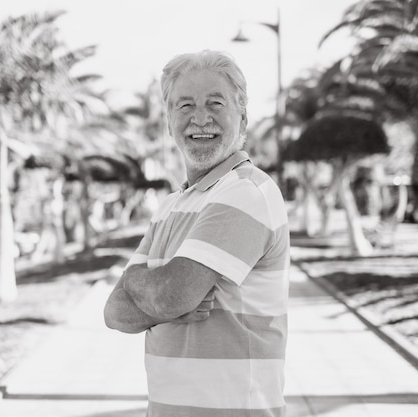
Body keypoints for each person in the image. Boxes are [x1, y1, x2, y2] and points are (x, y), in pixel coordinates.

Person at [104, 49, 290, 417]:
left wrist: (140, 283)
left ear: (243, 117)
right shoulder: (170, 205)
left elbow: (173, 296)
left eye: (215, 103)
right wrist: (154, 290)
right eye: (184, 105)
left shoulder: (245, 191)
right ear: (169, 120)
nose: (200, 118)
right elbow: (114, 312)